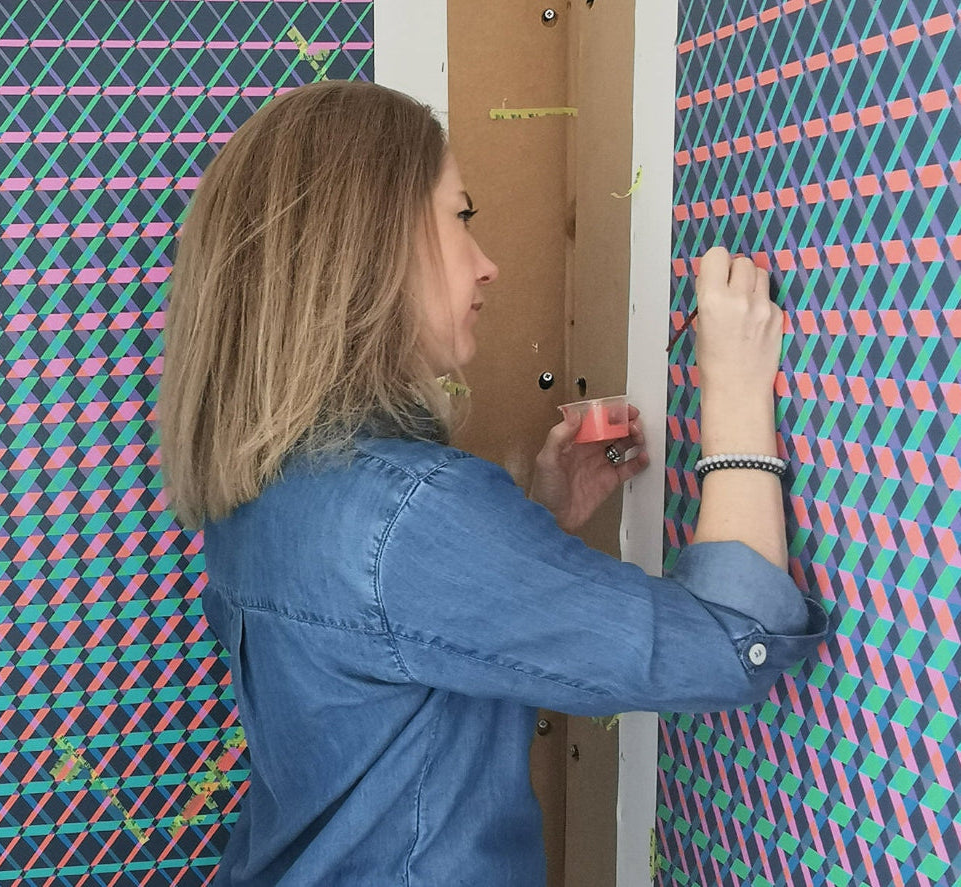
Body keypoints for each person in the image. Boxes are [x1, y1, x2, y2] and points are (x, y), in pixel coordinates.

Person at [159, 80, 828, 886]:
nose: (486, 265)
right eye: (461, 216)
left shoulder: (270, 482)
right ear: (370, 243)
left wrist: (534, 518)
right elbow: (733, 644)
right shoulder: (411, 515)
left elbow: (385, 648)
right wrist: (732, 388)